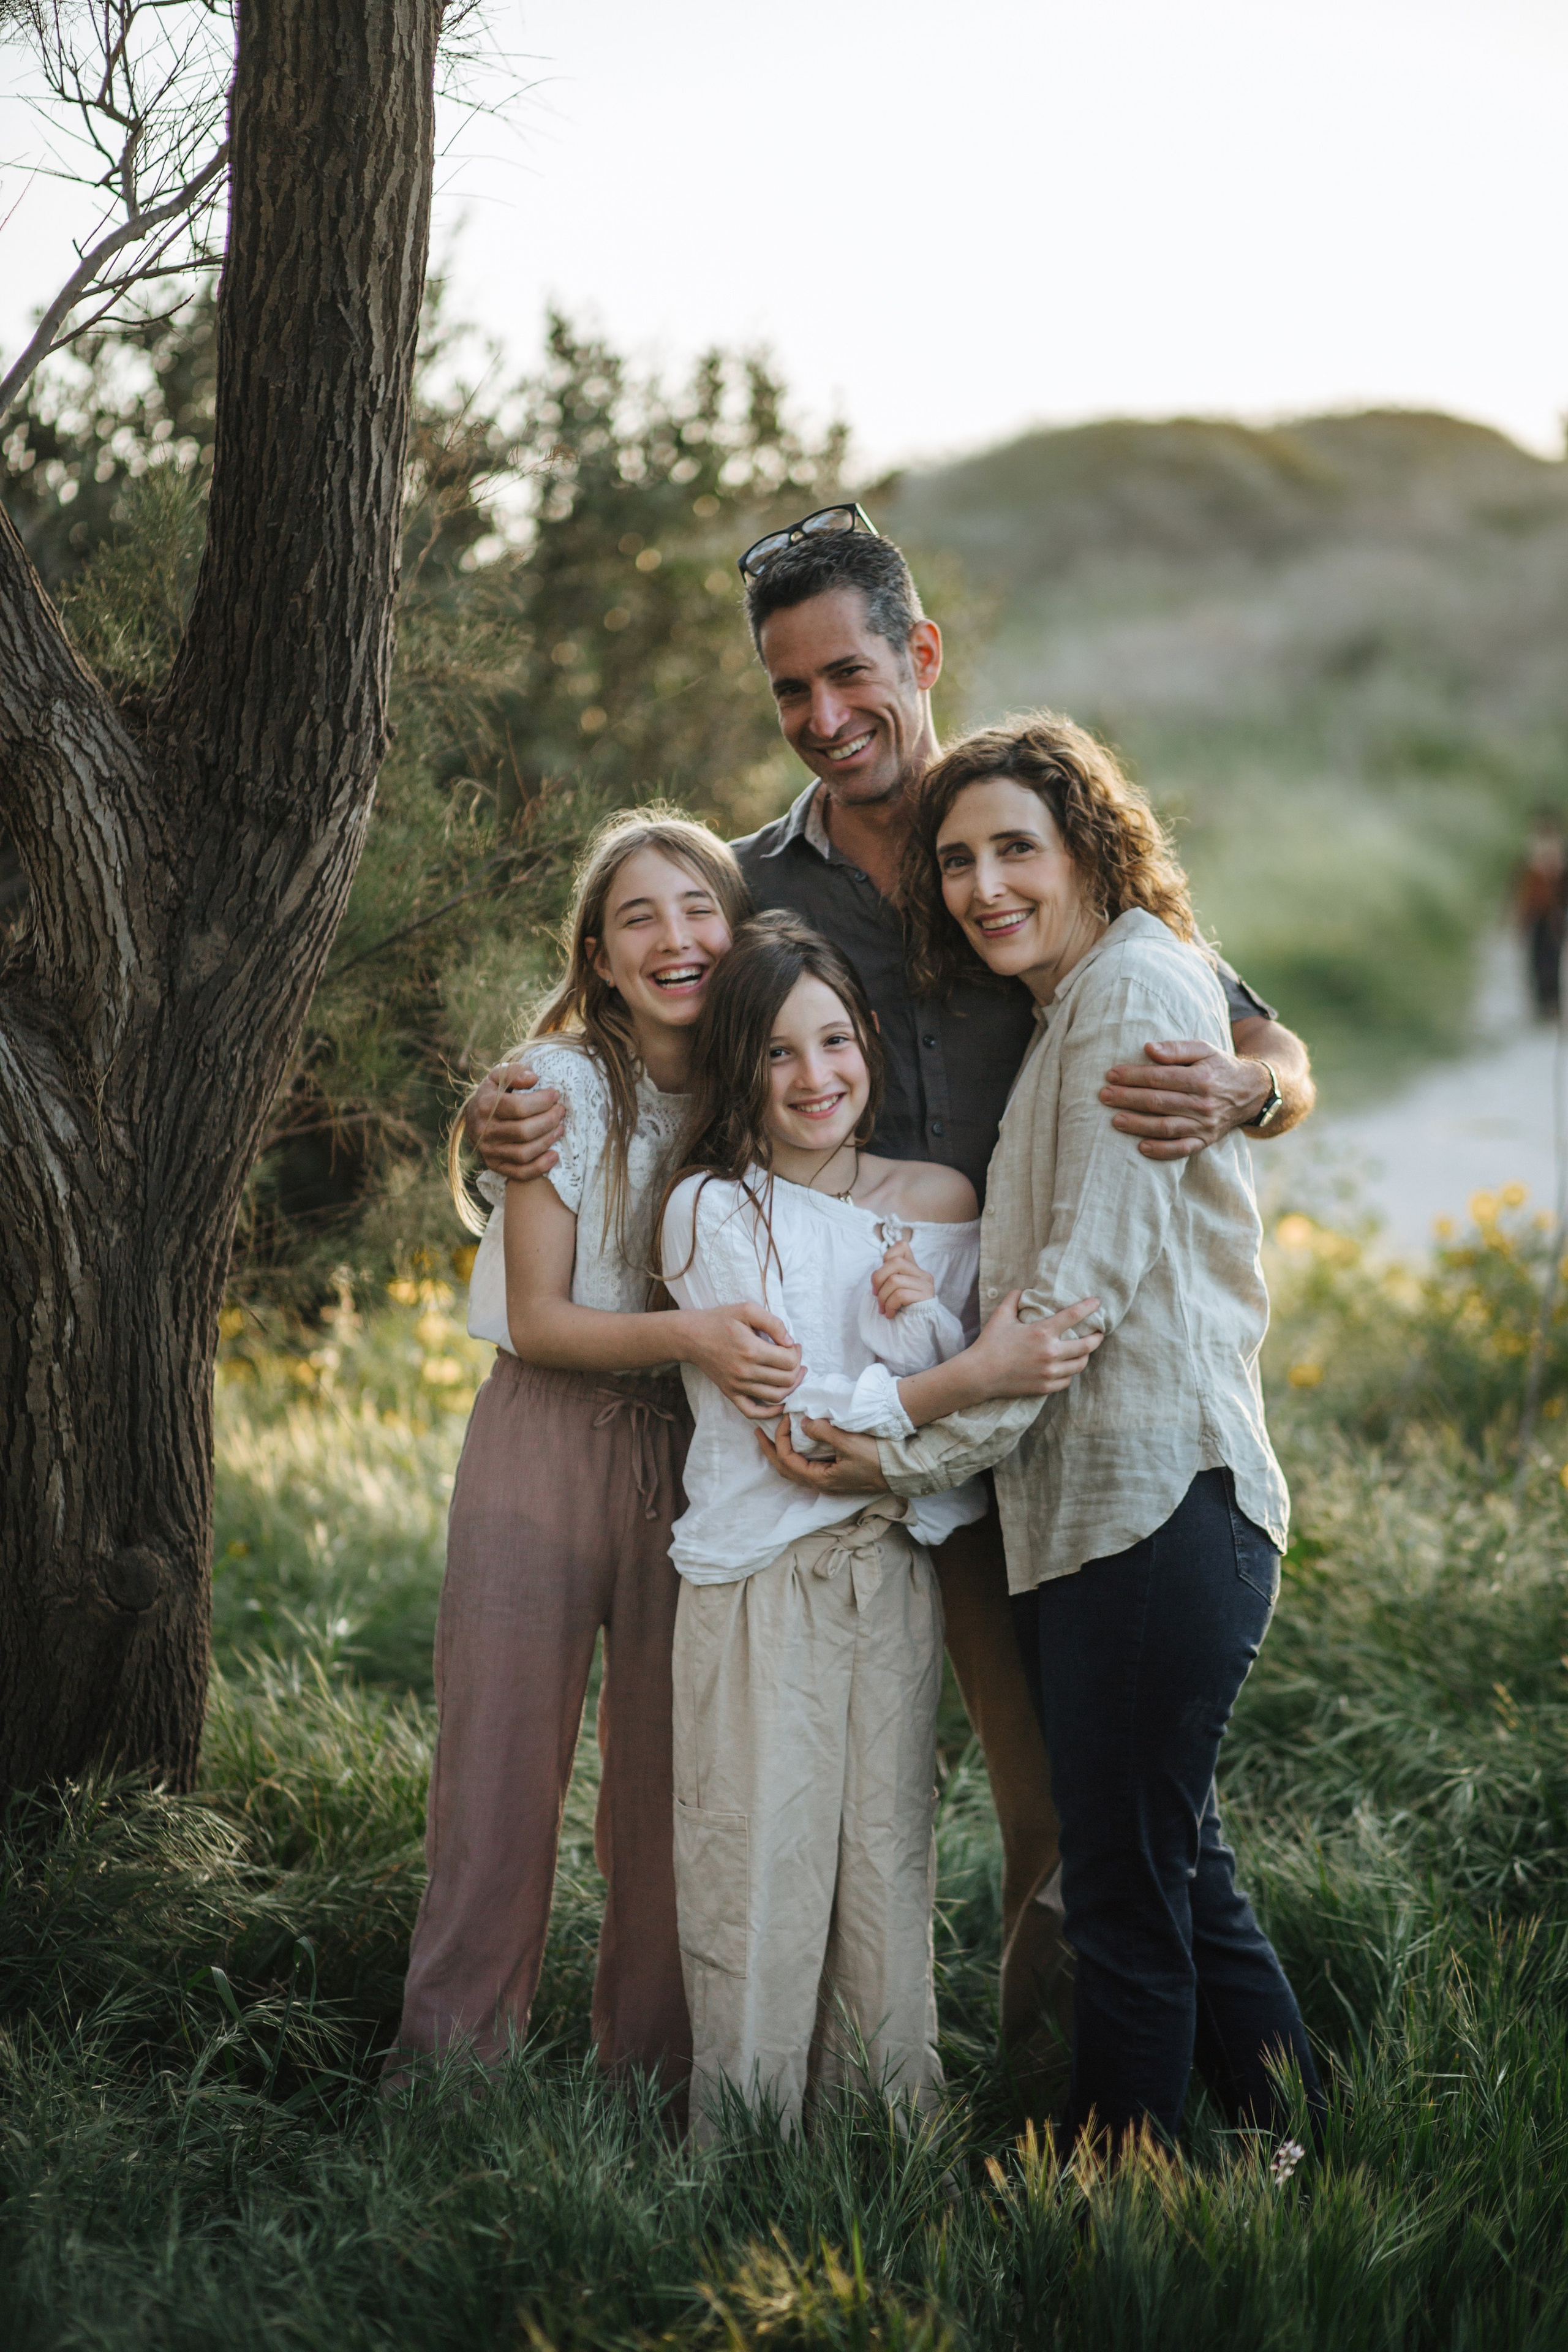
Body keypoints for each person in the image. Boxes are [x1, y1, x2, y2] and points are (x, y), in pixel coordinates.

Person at [461, 514, 1315, 2082]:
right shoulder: (743, 883)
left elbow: (1257, 1041)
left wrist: (1246, 1100)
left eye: (846, 670)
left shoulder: (1019, 835)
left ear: (915, 656)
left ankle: (1072, 2092)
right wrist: (493, 1117)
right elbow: (613, 1048)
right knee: (829, 1777)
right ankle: (837, 2072)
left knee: (1056, 1788)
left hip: (1019, 1404)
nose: (821, 712)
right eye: (787, 688)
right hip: (816, 1414)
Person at [770, 714, 1324, 2157]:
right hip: (1102, 1509)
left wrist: (890, 1436)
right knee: (1172, 1858)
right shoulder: (1076, 996)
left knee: (1125, 1887)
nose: (981, 883)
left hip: (1155, 1505)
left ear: (1089, 842)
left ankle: (1108, 2189)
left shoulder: (1140, 988)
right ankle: (1291, 2136)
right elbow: (1028, 1312)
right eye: (956, 861)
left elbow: (1065, 1311)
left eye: (1015, 847)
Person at [657, 912, 1100, 2136]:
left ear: (868, 1048)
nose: (816, 1078)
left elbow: (943, 1432)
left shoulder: (940, 1201)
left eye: (835, 1042)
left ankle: (885, 2139)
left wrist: (937, 1349)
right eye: (779, 1054)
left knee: (881, 1868)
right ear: (738, 1068)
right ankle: (740, 2151)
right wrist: (958, 1375)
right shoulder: (712, 1213)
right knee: (757, 1867)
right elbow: (803, 1440)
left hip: (894, 1576)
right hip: (761, 1577)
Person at [385, 812, 805, 2096]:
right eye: (639, 917)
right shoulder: (558, 1086)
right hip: (543, 1441)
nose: (675, 938)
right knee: (498, 1775)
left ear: (735, 933)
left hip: (694, 1456)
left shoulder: (754, 1093)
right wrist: (694, 1332)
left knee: (670, 1788)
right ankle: (451, 2080)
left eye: (698, 909)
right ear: (599, 954)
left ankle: (658, 2079)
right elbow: (545, 1318)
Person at [1514, 808, 1568, 1021]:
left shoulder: (1561, 855)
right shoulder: (1530, 854)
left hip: (1553, 915)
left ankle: (1553, 1002)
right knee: (1536, 958)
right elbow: (1522, 888)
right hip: (1536, 914)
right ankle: (1541, 1003)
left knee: (1552, 959)